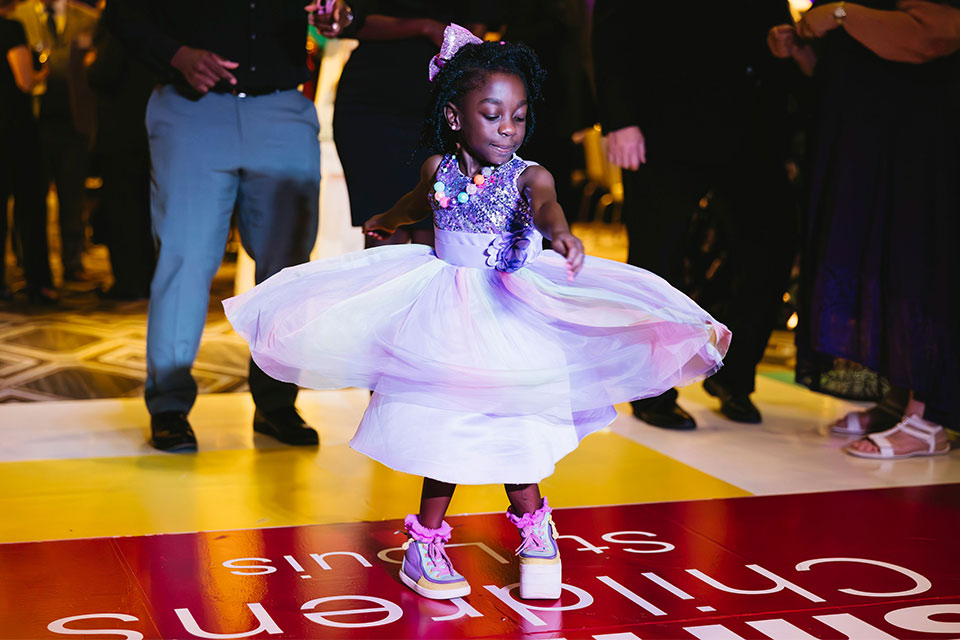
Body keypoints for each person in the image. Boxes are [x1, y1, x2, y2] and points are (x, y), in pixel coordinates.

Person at [224, 25, 730, 600]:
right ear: (456, 118)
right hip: (447, 310)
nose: (509, 127)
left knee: (514, 423)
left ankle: (536, 530)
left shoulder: (529, 174)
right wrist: (388, 220)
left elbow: (547, 208)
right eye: (493, 115)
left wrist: (561, 236)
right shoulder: (438, 169)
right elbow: (417, 203)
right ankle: (426, 542)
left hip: (510, 310)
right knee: (448, 426)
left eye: (518, 115)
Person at [106, 0, 328, 452]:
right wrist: (175, 54)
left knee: (287, 270)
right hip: (191, 108)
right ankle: (168, 404)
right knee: (183, 259)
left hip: (282, 105)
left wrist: (339, 15)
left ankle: (276, 403)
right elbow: (122, 12)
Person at [592, 1, 798, 428]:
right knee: (657, 259)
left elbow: (774, 27)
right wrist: (619, 119)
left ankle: (734, 376)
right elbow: (613, 31)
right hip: (662, 120)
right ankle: (652, 389)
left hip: (752, 122)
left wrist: (788, 133)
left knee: (770, 251)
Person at [769, 0, 960, 459]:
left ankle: (929, 415)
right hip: (872, 137)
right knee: (887, 270)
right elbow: (847, 66)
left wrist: (839, 14)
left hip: (923, 138)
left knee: (919, 269)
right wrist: (801, 48)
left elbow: (935, 35)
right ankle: (899, 401)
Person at [332, 1, 493, 249]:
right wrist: (425, 27)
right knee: (383, 224)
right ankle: (384, 287)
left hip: (439, 101)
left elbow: (472, 37)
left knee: (435, 224)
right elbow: (348, 21)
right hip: (370, 102)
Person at [12, 0, 98, 282]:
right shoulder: (20, 15)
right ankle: (30, 264)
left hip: (73, 123)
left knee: (72, 196)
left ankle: (73, 261)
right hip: (32, 124)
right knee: (30, 196)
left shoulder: (88, 19)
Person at [85, 6, 155, 300]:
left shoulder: (120, 18)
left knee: (122, 208)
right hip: (152, 127)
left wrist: (90, 61)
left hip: (122, 130)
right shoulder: (157, 16)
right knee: (146, 208)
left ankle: (128, 282)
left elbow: (104, 73)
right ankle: (147, 278)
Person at [1, 0, 56, 304]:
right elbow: (23, 80)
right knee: (30, 207)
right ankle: (39, 283)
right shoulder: (11, 28)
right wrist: (41, 74)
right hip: (14, 130)